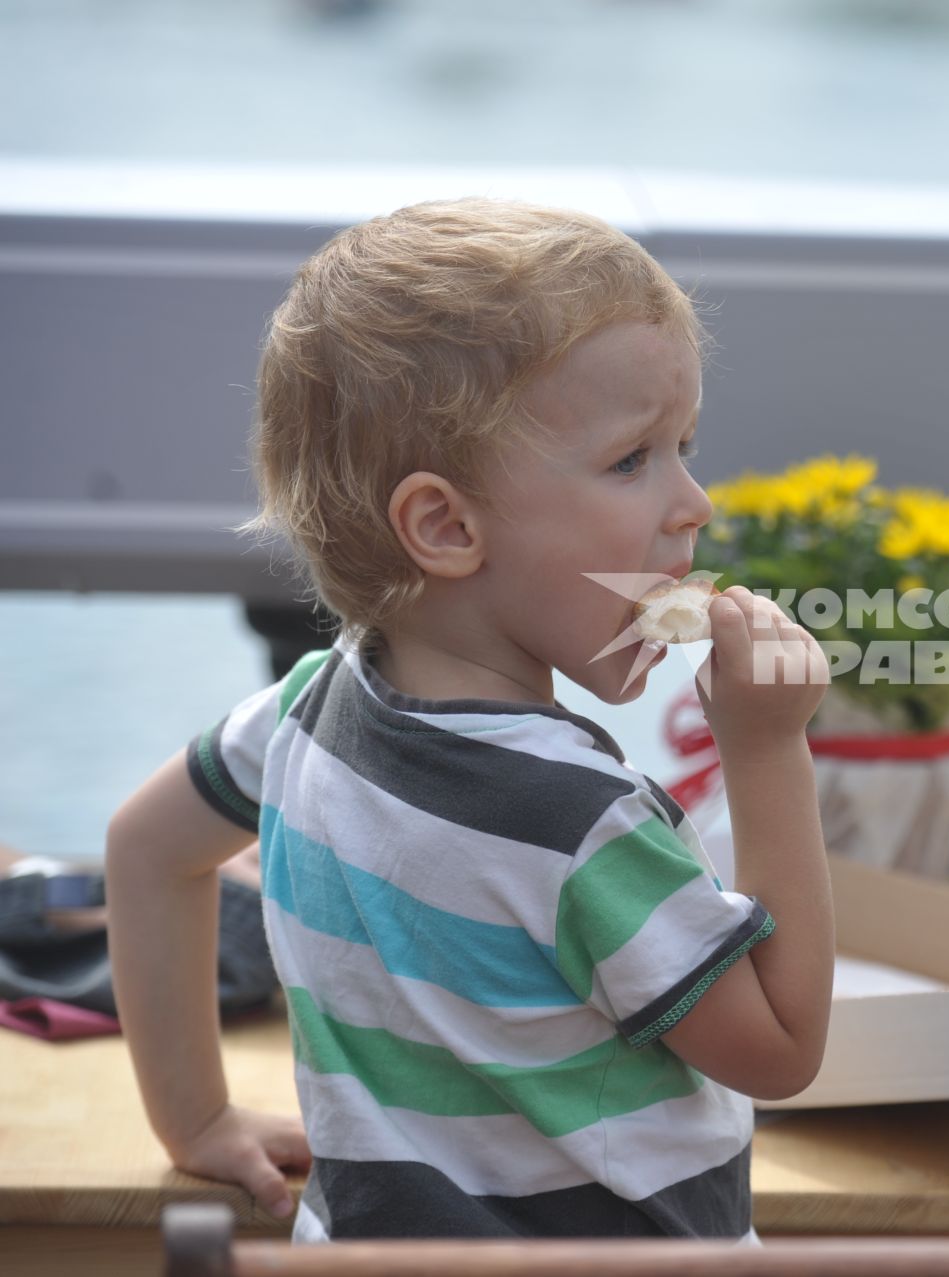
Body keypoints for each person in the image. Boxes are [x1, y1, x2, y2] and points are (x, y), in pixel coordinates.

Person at [104, 198, 833, 1241]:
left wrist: (197, 1116)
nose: (695, 503)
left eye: (686, 446)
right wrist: (767, 749)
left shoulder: (310, 708)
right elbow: (783, 1045)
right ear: (446, 525)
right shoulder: (578, 822)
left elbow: (143, 845)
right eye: (634, 459)